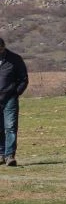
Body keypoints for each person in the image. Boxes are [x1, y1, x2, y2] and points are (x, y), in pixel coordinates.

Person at [0, 37, 28, 167]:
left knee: (10, 127)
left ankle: (10, 155)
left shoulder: (15, 59)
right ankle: (1, 154)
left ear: (3, 47)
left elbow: (23, 79)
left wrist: (16, 93)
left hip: (10, 98)